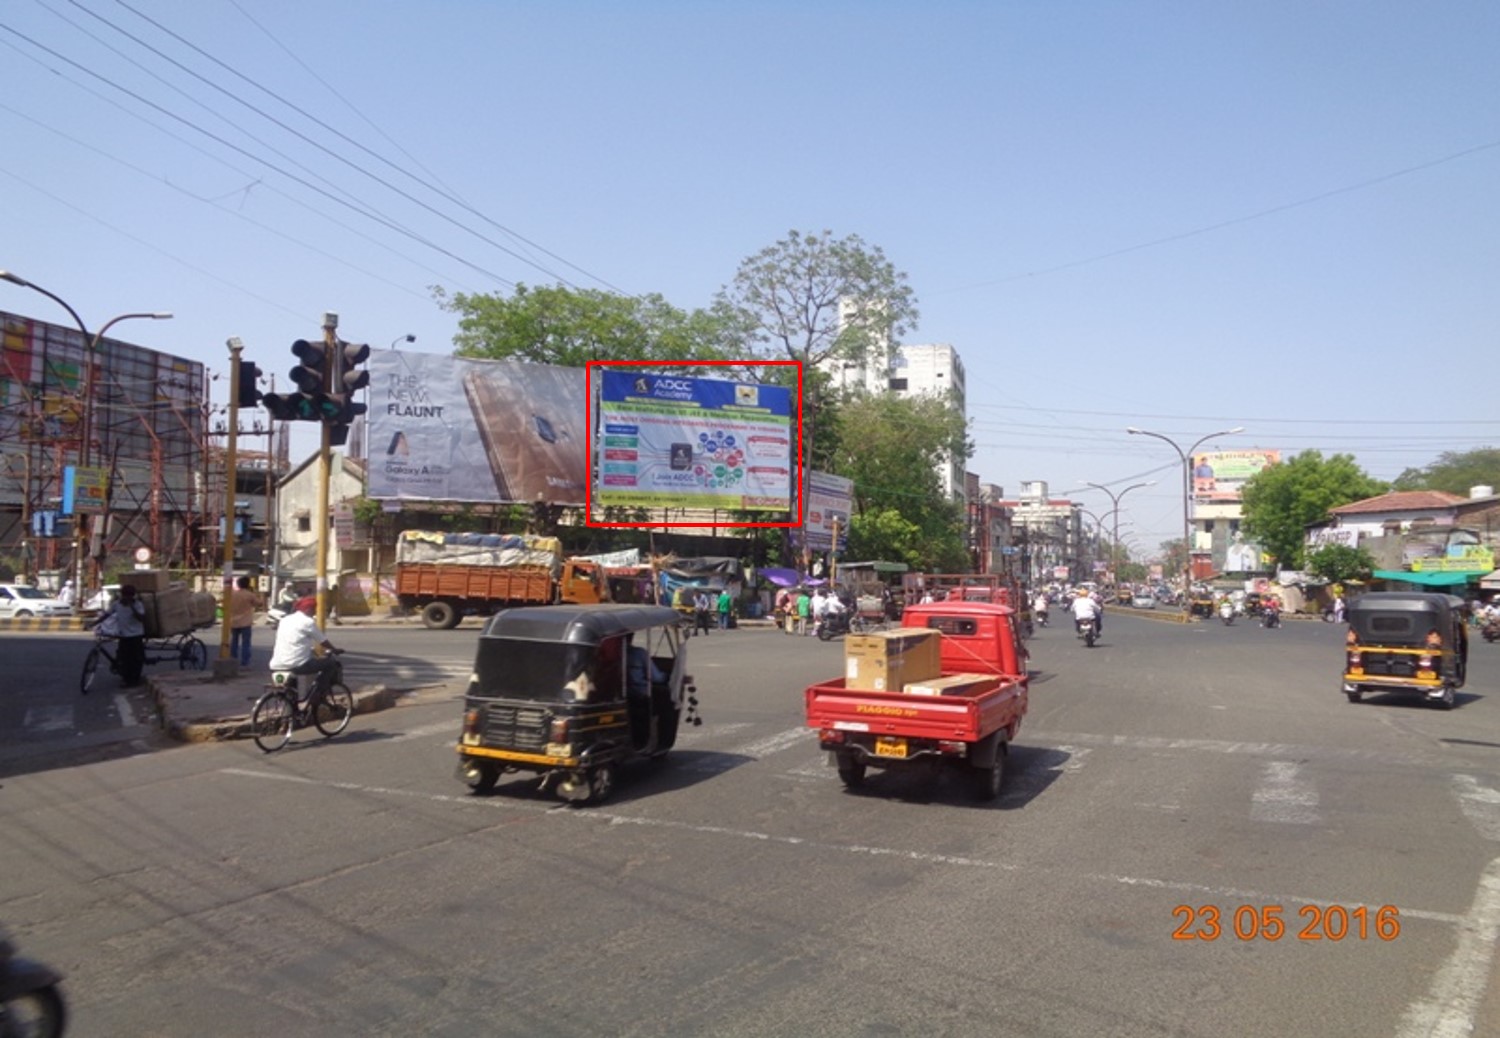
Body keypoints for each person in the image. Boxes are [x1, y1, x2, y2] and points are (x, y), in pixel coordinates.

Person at [268, 596, 342, 698]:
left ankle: (293, 707)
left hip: (276, 664)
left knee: (291, 690)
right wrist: (335, 649)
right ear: (309, 609)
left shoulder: (285, 620)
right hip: (297, 664)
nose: (314, 613)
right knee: (330, 664)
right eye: (314, 610)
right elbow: (323, 641)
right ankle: (319, 694)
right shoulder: (308, 622)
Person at [107, 584, 148, 688]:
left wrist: (132, 607)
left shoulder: (138, 605)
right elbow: (107, 614)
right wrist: (94, 624)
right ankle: (125, 678)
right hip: (124, 636)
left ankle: (135, 678)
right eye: (125, 595)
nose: (127, 598)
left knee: (136, 658)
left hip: (136, 635)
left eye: (129, 596)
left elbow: (141, 618)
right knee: (124, 658)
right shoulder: (116, 604)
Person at [228, 575, 262, 667]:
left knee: (234, 642)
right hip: (245, 622)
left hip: (233, 621)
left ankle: (233, 659)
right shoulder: (249, 595)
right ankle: (245, 661)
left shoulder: (232, 594)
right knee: (245, 643)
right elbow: (259, 603)